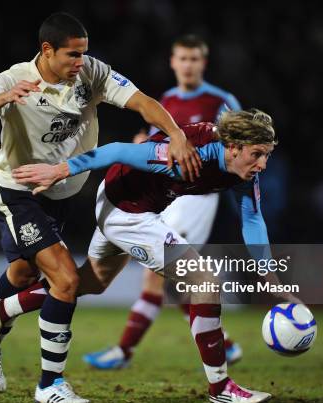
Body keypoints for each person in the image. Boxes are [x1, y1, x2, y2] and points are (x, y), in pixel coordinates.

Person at [0, 11, 202, 403]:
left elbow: (142, 101)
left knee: (22, 275)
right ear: (47, 50)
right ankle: (49, 383)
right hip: (16, 189)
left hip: (59, 194)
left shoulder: (92, 73)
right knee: (66, 280)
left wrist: (175, 133)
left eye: (84, 54)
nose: (81, 63)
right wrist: (3, 98)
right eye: (73, 55)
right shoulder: (15, 77)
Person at [0, 109, 296, 403]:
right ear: (235, 147)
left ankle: (3, 309)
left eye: (267, 154)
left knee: (87, 283)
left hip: (124, 202)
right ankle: (221, 389)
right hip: (127, 213)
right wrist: (60, 170)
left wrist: (270, 279)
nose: (263, 164)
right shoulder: (190, 154)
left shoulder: (241, 170)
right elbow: (117, 150)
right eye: (258, 154)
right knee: (204, 281)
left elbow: (253, 220)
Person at [83, 34, 244, 370]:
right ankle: (223, 344)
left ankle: (124, 351)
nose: (188, 65)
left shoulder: (221, 100)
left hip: (197, 199)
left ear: (204, 62)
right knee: (168, 280)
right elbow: (156, 139)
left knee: (163, 276)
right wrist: (143, 142)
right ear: (173, 62)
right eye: (183, 59)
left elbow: (240, 147)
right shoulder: (166, 99)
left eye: (194, 59)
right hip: (166, 193)